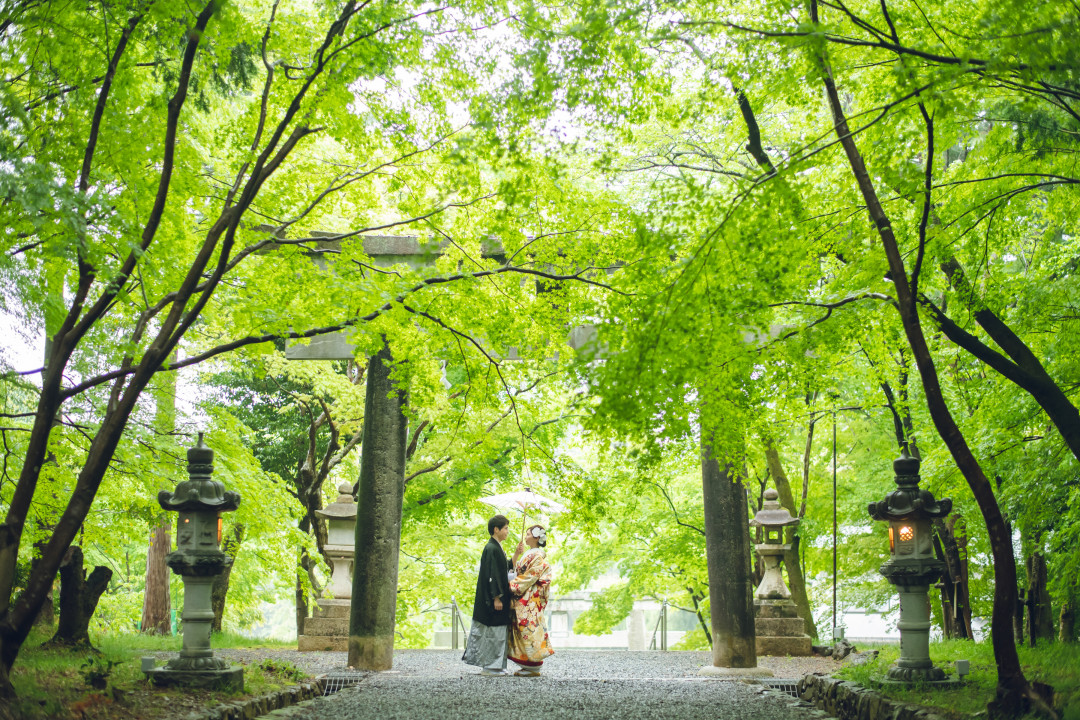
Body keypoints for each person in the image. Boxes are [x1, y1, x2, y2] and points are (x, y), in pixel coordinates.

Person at [462, 514, 514, 676]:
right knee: (493, 632)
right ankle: (491, 666)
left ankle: (496, 665)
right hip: (493, 599)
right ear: (496, 529)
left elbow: (503, 568)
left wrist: (517, 555)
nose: (507, 531)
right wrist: (496, 597)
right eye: (505, 528)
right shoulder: (491, 548)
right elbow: (493, 574)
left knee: (496, 632)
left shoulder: (495, 547)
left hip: (495, 597)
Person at [507, 524, 554, 677]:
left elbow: (531, 576)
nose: (525, 536)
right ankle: (528, 664)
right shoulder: (530, 554)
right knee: (523, 630)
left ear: (536, 537)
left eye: (528, 534)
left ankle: (533, 665)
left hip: (530, 599)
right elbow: (523, 573)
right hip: (526, 597)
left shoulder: (537, 556)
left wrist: (512, 585)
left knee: (530, 630)